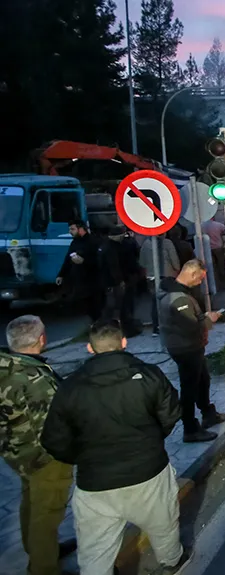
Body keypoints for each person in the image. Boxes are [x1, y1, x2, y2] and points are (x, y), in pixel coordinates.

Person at [41, 321, 189, 575]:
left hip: (96, 483)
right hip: (148, 471)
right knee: (164, 523)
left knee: (96, 548)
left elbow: (53, 440)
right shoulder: (150, 374)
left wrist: (85, 458)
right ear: (123, 342)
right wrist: (151, 441)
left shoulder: (70, 387)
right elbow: (171, 413)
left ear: (90, 348)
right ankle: (172, 561)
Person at [0, 316, 75, 575]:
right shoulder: (36, 380)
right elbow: (54, 427)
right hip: (43, 457)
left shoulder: (7, 365)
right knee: (47, 513)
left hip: (15, 450)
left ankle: (40, 549)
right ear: (42, 339)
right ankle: (44, 567)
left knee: (31, 502)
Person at [158, 259, 225, 442]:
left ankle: (208, 414)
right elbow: (191, 327)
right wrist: (209, 319)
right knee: (189, 388)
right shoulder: (179, 298)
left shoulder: (175, 292)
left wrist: (201, 317)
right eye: (200, 278)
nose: (200, 282)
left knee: (203, 380)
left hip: (188, 345)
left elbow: (185, 320)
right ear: (193, 273)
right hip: (185, 348)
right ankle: (190, 429)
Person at [55, 219, 102, 322]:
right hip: (79, 281)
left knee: (95, 306)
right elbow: (67, 260)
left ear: (81, 229)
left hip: (93, 280)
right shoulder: (75, 242)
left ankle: (99, 325)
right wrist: (61, 275)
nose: (70, 232)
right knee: (85, 306)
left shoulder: (93, 241)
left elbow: (100, 260)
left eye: (72, 229)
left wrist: (84, 261)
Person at [140, 233, 181, 336]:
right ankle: (170, 326)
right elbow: (174, 260)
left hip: (151, 276)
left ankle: (156, 327)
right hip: (167, 276)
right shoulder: (167, 243)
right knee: (169, 302)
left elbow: (142, 262)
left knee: (155, 302)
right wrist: (177, 270)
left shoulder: (146, 243)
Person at [201, 218, 225, 293]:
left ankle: (216, 285)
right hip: (219, 248)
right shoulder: (219, 225)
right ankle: (224, 284)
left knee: (213, 267)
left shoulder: (202, 226)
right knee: (221, 266)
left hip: (208, 249)